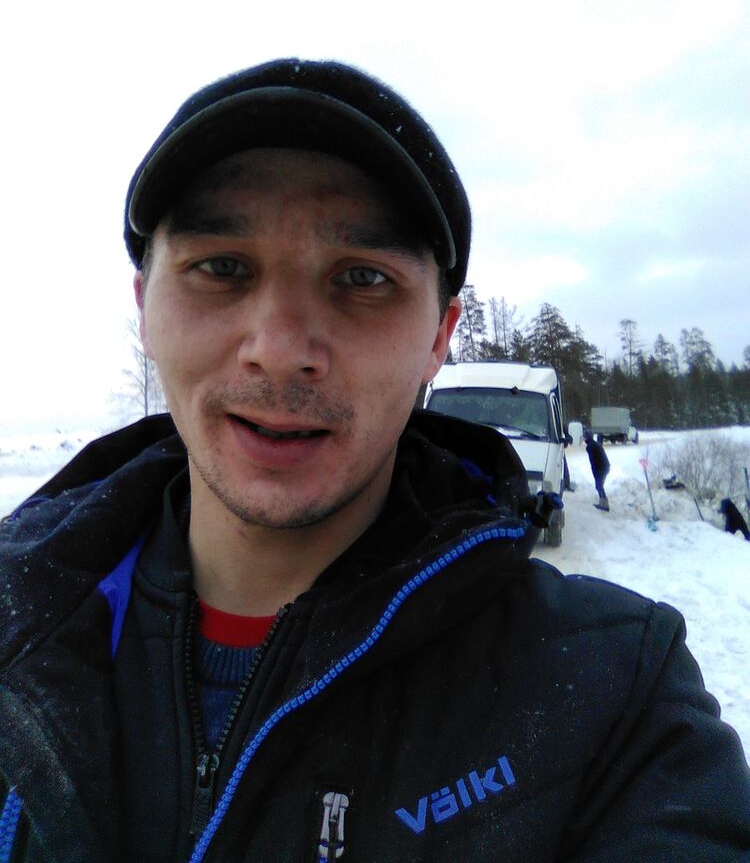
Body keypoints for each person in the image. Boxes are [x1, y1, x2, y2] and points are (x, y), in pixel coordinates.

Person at [1, 59, 749, 862]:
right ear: (145, 310)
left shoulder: (614, 696)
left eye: (362, 278)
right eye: (222, 268)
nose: (280, 350)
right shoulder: (18, 625)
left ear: (438, 338)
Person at [584, 428, 611, 511]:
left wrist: (595, 472)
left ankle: (605, 505)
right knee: (599, 485)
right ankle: (602, 503)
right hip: (605, 466)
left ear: (587, 437)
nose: (584, 438)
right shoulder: (594, 444)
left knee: (599, 485)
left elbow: (593, 461)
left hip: (601, 468)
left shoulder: (590, 446)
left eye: (585, 436)